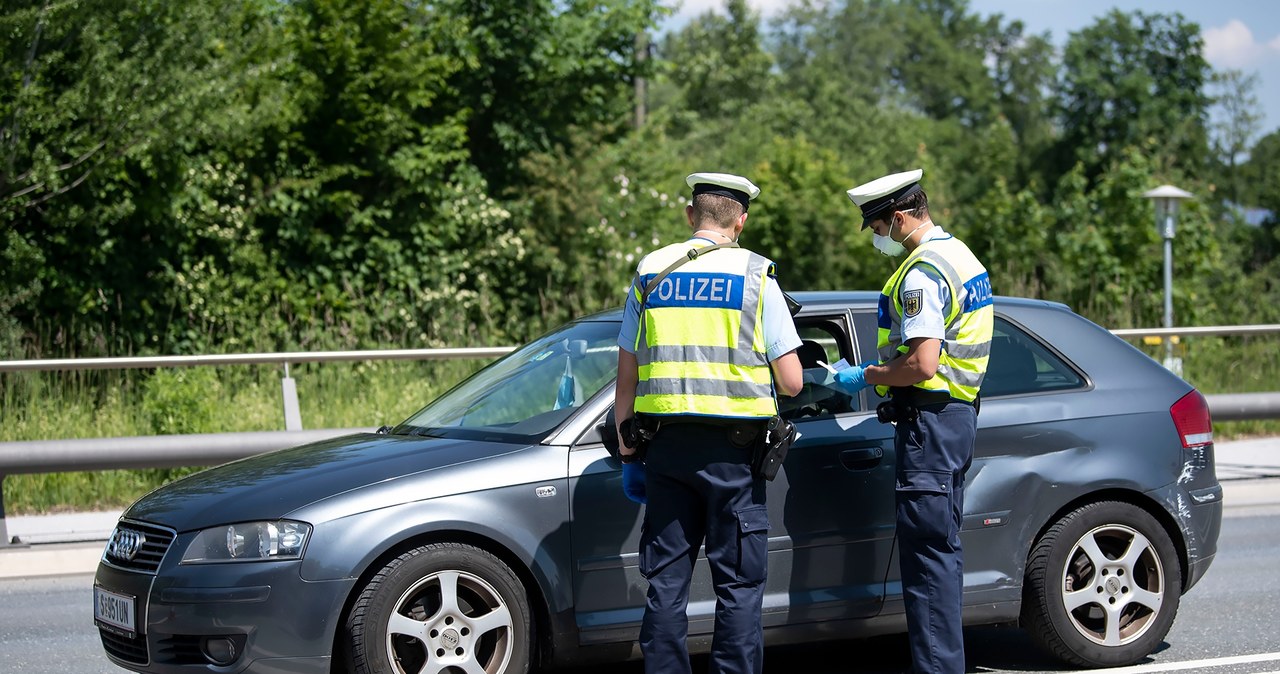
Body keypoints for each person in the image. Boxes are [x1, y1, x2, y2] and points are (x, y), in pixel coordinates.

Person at [614, 171, 804, 674]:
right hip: (734, 459)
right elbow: (792, 382)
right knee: (738, 586)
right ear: (741, 221)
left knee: (667, 583)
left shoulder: (650, 271)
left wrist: (628, 448)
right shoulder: (757, 276)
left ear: (690, 216)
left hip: (666, 451)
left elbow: (627, 370)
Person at [834, 168, 993, 674]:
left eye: (879, 228)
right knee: (941, 551)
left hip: (930, 422)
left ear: (899, 216)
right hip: (956, 418)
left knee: (927, 562)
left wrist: (868, 376)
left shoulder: (922, 272)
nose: (879, 238)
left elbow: (923, 363)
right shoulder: (961, 254)